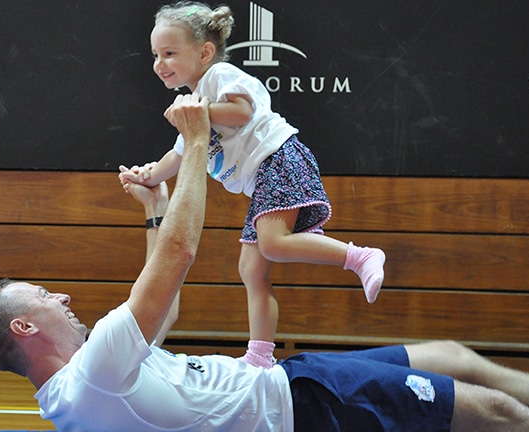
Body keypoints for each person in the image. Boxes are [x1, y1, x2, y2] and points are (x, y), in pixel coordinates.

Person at [0, 93, 529, 431]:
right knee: (495, 414)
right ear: (24, 328)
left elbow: (165, 304)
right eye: (45, 296)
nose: (62, 298)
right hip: (306, 408)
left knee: (453, 357)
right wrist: (192, 147)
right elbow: (181, 258)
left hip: (292, 382)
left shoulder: (82, 390)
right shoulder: (97, 372)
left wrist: (154, 207)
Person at [118, 1, 385, 369]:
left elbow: (242, 110)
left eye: (169, 53)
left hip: (280, 157)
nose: (159, 64)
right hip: (264, 179)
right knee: (251, 269)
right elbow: (176, 159)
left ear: (205, 52)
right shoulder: (194, 105)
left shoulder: (217, 76)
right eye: (155, 55)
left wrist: (198, 113)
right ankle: (259, 357)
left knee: (272, 245)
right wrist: (144, 176)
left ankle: (361, 257)